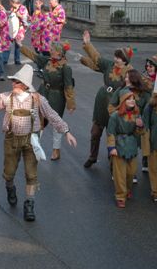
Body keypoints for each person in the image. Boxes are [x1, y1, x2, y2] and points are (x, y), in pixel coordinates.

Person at [0, 65, 77, 221]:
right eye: (13, 81)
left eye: (17, 82)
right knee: (9, 173)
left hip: (31, 141)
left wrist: (66, 132)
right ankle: (10, 188)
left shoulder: (38, 99)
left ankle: (29, 205)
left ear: (25, 85)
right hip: (11, 140)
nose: (13, 84)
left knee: (31, 175)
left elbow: (52, 115)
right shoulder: (7, 97)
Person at [80, 30, 134, 168]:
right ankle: (92, 156)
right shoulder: (109, 65)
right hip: (102, 101)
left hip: (117, 104)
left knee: (113, 134)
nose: (116, 59)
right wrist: (87, 44)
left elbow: (137, 86)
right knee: (95, 132)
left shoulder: (130, 72)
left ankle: (113, 161)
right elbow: (97, 58)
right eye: (116, 56)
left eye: (120, 58)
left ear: (125, 60)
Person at [20, 42, 76, 161]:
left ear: (59, 53)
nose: (50, 50)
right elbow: (33, 56)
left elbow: (68, 86)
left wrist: (71, 104)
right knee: (39, 120)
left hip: (57, 97)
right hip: (43, 93)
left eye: (52, 49)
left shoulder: (66, 68)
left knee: (56, 123)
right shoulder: (47, 61)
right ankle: (35, 147)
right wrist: (21, 45)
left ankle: (56, 150)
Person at [107, 91, 144, 208]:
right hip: (119, 145)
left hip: (131, 145)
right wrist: (112, 147)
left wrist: (140, 126)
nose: (132, 101)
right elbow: (110, 132)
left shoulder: (137, 115)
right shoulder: (115, 116)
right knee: (120, 174)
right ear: (123, 101)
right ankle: (120, 196)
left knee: (131, 172)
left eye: (133, 98)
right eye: (129, 99)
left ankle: (127, 189)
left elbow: (140, 133)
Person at [2, 0, 28, 65]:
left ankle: (17, 59)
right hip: (11, 28)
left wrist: (19, 15)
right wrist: (4, 10)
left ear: (13, 2)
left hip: (19, 29)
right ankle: (5, 59)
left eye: (10, 2)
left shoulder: (23, 8)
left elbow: (25, 19)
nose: (9, 3)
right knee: (9, 44)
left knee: (17, 44)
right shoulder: (12, 8)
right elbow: (9, 14)